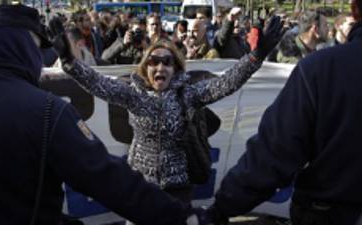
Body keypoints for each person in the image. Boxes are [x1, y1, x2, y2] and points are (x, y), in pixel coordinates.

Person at [0, 4, 207, 225]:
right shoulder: (48, 111)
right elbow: (106, 177)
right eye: (38, 48)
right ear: (24, 45)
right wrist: (180, 216)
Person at [52, 9, 282, 219]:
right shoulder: (134, 95)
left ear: (176, 68)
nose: (160, 67)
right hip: (140, 188)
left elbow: (226, 83)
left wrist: (256, 57)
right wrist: (68, 60)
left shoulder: (189, 94)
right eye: (153, 61)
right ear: (145, 67)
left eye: (167, 62)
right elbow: (96, 82)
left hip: (178, 190)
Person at [205, 0, 362, 224]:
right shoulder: (318, 68)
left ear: (355, 10)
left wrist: (221, 208)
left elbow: (274, 152)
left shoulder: (322, 68)